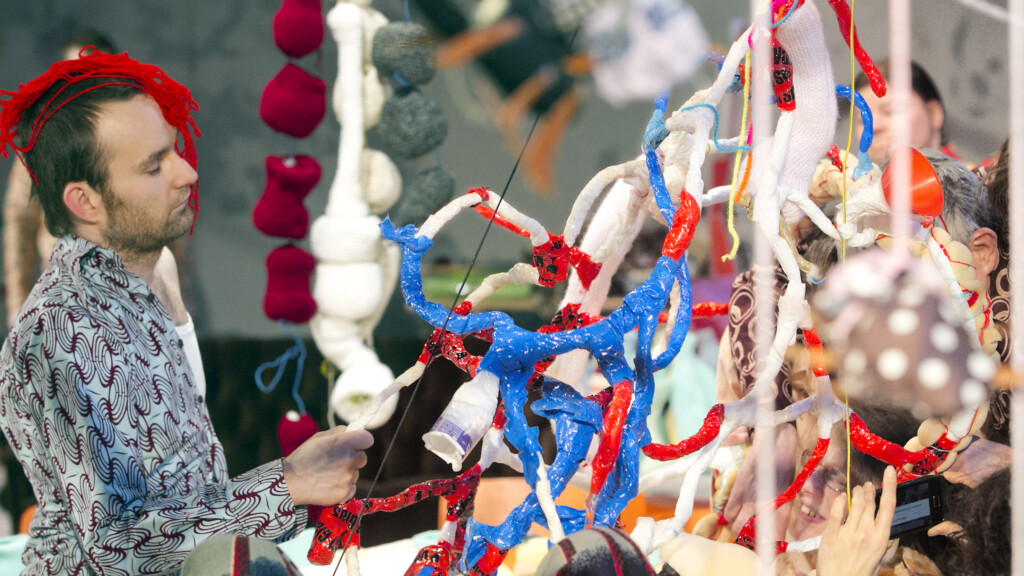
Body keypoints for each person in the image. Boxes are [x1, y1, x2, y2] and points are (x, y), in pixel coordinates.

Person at [0, 50, 373, 575]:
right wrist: (285, 487)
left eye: (172, 151)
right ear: (85, 202)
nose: (188, 172)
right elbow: (114, 547)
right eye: (154, 166)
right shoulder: (60, 329)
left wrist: (290, 476)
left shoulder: (153, 276)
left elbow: (184, 495)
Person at [3, 30, 117, 325]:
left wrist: (178, 310)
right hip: (58, 295)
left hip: (125, 296)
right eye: (75, 73)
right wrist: (18, 306)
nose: (85, 81)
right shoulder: (41, 137)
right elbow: (20, 221)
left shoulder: (133, 136)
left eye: (95, 72)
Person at [853, 60, 959, 165]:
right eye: (862, 119)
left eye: (890, 111)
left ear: (933, 114)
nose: (874, 127)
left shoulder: (971, 180)